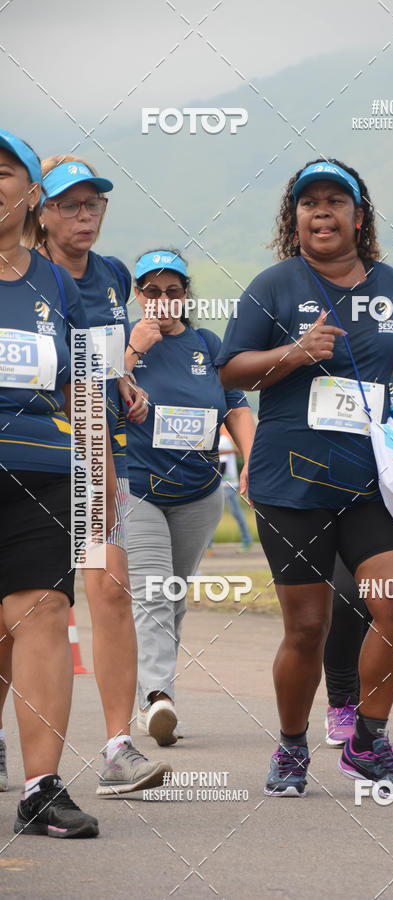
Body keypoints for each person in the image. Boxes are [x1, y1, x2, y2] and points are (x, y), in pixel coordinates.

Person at [217, 158, 393, 799]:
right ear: (294, 219)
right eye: (309, 202)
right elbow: (230, 371)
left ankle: (368, 741)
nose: (322, 211)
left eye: (335, 201)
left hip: (374, 475)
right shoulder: (274, 285)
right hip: (292, 480)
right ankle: (292, 748)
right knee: (307, 627)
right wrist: (294, 353)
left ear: (357, 216)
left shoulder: (390, 283)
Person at [34, 155, 170, 796]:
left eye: (93, 205)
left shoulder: (115, 276)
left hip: (94, 447)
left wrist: (125, 383)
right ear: (41, 208)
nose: (83, 216)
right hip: (34, 449)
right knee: (28, 606)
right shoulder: (24, 276)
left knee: (110, 590)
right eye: (69, 205)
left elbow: (102, 360)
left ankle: (119, 746)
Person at [0, 129, 100, 836]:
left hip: (43, 469)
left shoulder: (58, 283)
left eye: (5, 172)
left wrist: (100, 485)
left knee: (41, 613)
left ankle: (42, 789)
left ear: (32, 193)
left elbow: (85, 390)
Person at [127, 251, 255, 747]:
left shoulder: (207, 344)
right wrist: (132, 351)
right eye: (152, 292)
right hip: (138, 490)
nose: (163, 301)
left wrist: (250, 462)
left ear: (186, 295)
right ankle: (158, 697)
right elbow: (91, 394)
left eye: (173, 291)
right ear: (138, 296)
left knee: (173, 597)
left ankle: (155, 700)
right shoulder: (121, 342)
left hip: (200, 496)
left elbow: (237, 409)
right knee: (154, 592)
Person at [324, 376, 393, 747]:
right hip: (329, 498)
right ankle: (341, 703)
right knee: (345, 601)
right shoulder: (326, 359)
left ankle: (371, 722)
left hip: (391, 503)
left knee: (389, 603)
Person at [219, 427, 253, 551]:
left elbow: (222, 466)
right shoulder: (222, 441)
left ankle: (247, 539)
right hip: (225, 484)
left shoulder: (222, 441)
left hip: (227, 485)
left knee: (235, 513)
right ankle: (208, 545)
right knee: (212, 514)